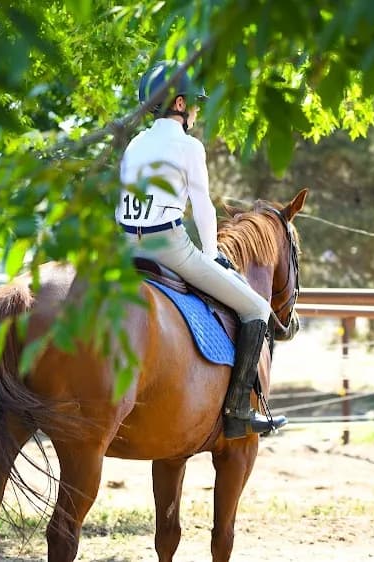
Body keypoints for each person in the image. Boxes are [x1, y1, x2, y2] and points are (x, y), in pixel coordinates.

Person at [117, 61, 287, 439]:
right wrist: (211, 253)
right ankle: (238, 409)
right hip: (168, 246)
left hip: (126, 245)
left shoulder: (134, 144)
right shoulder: (189, 146)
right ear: (179, 103)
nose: (195, 111)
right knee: (256, 307)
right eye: (193, 103)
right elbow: (204, 208)